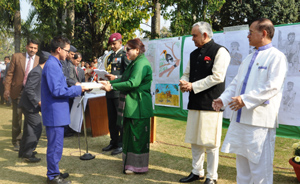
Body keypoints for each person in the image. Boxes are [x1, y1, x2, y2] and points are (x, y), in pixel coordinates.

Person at [212, 18, 288, 184]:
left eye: (251, 32)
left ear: (264, 33)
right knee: (243, 171)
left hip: (260, 123)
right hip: (241, 121)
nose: (248, 36)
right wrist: (222, 99)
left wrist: (245, 99)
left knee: (260, 171)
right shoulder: (248, 58)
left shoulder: (277, 57)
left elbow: (272, 86)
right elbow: (235, 84)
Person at [179, 22, 230, 184]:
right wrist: (184, 82)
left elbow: (218, 77)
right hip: (195, 102)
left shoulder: (220, 51)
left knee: (211, 142)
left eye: (194, 35)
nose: (192, 38)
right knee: (195, 140)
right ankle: (197, 171)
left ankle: (212, 176)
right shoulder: (194, 54)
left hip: (212, 103)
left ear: (205, 35)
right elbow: (186, 73)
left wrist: (192, 86)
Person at [100, 38, 153, 174]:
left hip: (138, 105)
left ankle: (137, 166)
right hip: (132, 104)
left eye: (128, 49)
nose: (126, 51)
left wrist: (111, 86)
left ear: (137, 49)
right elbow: (125, 78)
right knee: (129, 134)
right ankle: (129, 163)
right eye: (125, 49)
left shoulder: (141, 63)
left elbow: (133, 83)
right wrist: (111, 81)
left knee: (138, 136)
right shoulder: (135, 62)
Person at [41, 36, 88, 184]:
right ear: (58, 49)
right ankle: (53, 176)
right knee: (55, 146)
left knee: (57, 145)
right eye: (67, 51)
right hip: (55, 112)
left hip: (57, 111)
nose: (69, 54)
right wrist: (77, 89)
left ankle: (54, 171)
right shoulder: (52, 65)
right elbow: (57, 91)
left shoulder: (56, 63)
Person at [4, 39, 39, 151]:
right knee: (17, 117)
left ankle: (27, 141)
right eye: (31, 47)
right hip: (18, 91)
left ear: (37, 49)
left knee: (30, 118)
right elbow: (10, 74)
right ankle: (16, 141)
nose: (32, 50)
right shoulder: (17, 57)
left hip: (32, 93)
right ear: (26, 47)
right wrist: (7, 89)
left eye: (35, 48)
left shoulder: (39, 60)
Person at [18, 51, 50, 163]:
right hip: (30, 106)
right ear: (46, 62)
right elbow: (29, 90)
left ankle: (23, 152)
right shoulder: (37, 72)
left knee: (28, 129)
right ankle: (28, 153)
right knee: (36, 128)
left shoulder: (39, 71)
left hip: (29, 105)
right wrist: (38, 102)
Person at [102, 33, 130, 155]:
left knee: (120, 120)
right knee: (112, 119)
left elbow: (128, 75)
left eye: (114, 43)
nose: (112, 46)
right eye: (111, 44)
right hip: (109, 92)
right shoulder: (109, 57)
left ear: (120, 42)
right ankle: (113, 141)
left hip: (119, 92)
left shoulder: (125, 55)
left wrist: (116, 77)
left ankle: (121, 144)